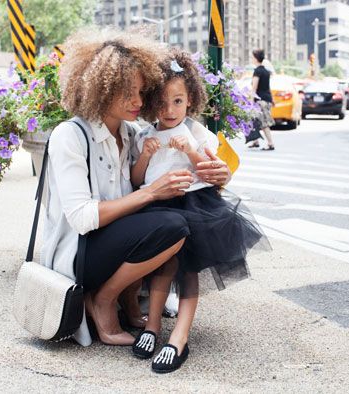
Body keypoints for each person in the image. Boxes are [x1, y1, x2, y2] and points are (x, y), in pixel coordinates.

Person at [41, 28, 232, 347]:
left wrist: (220, 172)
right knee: (172, 225)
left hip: (114, 244)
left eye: (142, 92)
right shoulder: (69, 136)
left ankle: (129, 302)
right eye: (128, 92)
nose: (138, 101)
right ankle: (103, 299)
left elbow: (185, 141)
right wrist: (152, 192)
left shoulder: (132, 135)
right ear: (101, 89)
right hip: (79, 253)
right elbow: (82, 219)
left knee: (175, 223)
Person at [129, 49, 270, 373]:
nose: (169, 110)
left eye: (177, 101)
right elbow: (137, 179)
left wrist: (190, 151)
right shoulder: (145, 135)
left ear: (190, 99)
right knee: (162, 267)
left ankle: (179, 336)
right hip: (157, 205)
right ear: (152, 103)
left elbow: (210, 169)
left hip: (194, 205)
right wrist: (146, 157)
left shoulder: (197, 132)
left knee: (188, 270)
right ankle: (152, 327)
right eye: (162, 103)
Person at [248, 49, 275, 150]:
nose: (251, 59)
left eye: (252, 57)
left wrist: (250, 101)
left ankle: (271, 143)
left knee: (263, 123)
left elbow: (254, 88)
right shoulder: (266, 71)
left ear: (255, 58)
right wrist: (272, 100)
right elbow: (267, 87)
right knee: (255, 120)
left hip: (260, 100)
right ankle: (255, 141)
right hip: (266, 99)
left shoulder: (257, 71)